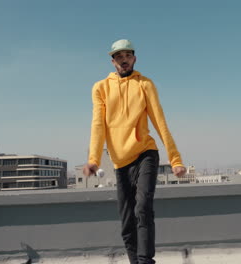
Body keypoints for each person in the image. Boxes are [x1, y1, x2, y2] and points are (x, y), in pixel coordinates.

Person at [83, 39, 186, 264]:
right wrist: (93, 159)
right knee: (127, 223)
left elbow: (160, 122)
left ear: (134, 59)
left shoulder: (145, 84)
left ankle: (145, 260)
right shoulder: (100, 88)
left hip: (145, 154)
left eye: (128, 56)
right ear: (112, 62)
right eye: (119, 57)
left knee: (143, 207)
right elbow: (97, 125)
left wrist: (175, 159)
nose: (124, 60)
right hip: (120, 163)